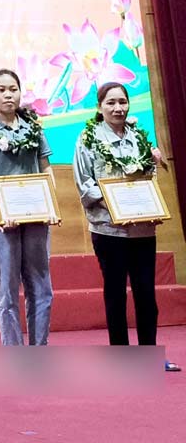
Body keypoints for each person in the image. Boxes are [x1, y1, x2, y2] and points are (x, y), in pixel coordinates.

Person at [72, 82, 180, 372]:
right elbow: (85, 186)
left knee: (146, 292)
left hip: (143, 229)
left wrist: (147, 201)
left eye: (122, 102)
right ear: (99, 107)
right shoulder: (88, 139)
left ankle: (150, 356)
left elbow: (149, 177)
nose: (118, 108)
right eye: (111, 103)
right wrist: (116, 203)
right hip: (109, 230)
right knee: (116, 292)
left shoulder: (139, 137)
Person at [0, 68, 54, 346]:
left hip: (36, 217)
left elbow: (46, 168)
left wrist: (50, 204)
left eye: (13, 88)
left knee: (41, 287)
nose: (8, 94)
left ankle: (39, 353)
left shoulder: (34, 126)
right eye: (1, 89)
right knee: (6, 289)